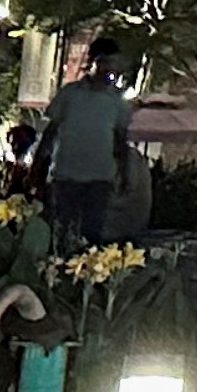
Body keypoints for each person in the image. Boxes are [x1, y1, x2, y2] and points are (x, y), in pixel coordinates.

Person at [40, 43, 137, 248]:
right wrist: (38, 166)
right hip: (67, 175)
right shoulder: (69, 94)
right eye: (105, 63)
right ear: (93, 62)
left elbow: (120, 141)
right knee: (61, 231)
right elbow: (51, 130)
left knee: (92, 234)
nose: (110, 69)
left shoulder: (118, 102)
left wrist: (125, 175)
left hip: (100, 178)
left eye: (114, 64)